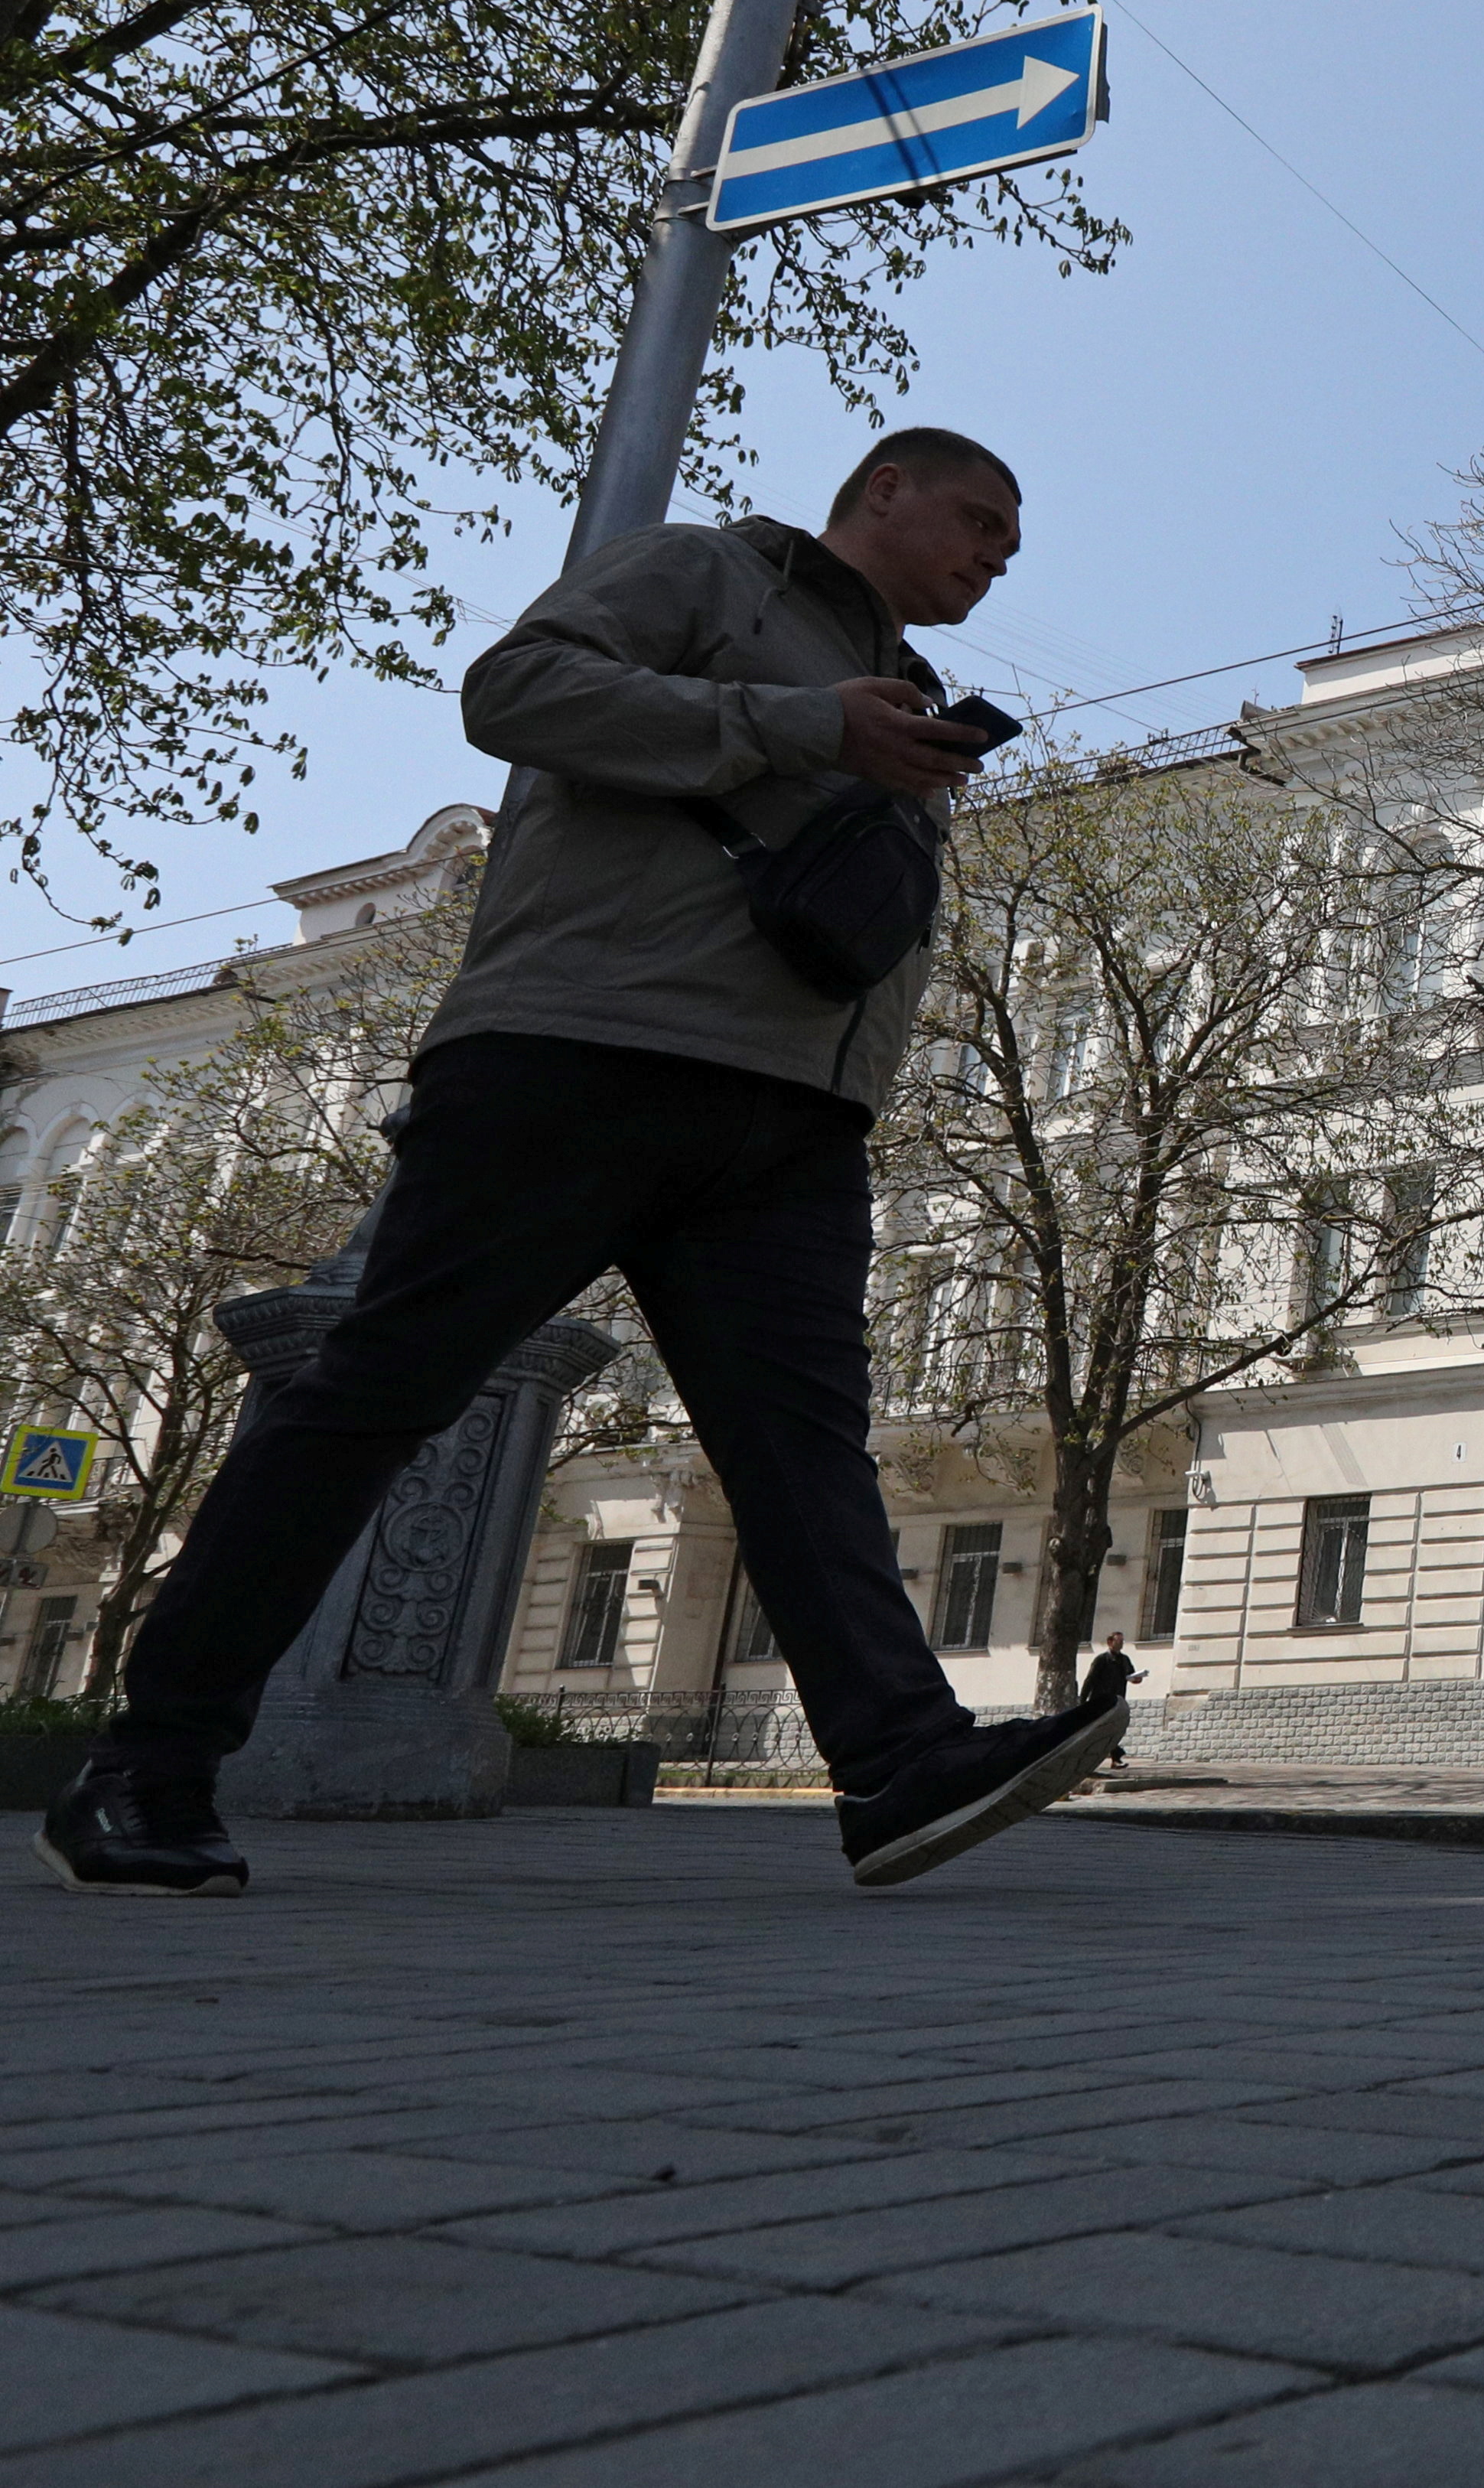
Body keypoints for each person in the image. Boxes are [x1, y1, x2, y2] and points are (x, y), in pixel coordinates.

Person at [37, 428, 1133, 1897]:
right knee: (376, 1396)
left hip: (792, 1117)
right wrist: (810, 728)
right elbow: (518, 693)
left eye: (1012, 542)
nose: (998, 554)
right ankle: (143, 1771)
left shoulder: (908, 692)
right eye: (980, 519)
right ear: (883, 490)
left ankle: (901, 1764)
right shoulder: (703, 571)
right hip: (578, 1055)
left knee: (803, 1454)